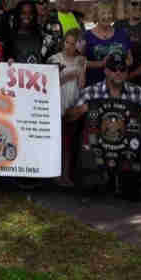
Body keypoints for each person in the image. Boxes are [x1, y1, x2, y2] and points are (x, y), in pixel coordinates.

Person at [65, 51, 141, 200]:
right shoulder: (91, 92)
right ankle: (98, 180)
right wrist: (82, 109)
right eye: (113, 69)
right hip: (99, 143)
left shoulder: (138, 93)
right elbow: (69, 118)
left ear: (127, 72)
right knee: (82, 142)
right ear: (106, 71)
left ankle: (134, 180)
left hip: (127, 145)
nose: (118, 73)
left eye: (122, 69)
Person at [48, 29, 86, 187]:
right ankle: (55, 174)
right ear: (63, 42)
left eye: (74, 43)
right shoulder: (54, 59)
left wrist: (80, 67)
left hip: (73, 103)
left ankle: (67, 174)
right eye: (67, 42)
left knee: (70, 142)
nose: (69, 46)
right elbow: (49, 83)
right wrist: (67, 76)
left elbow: (81, 84)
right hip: (58, 103)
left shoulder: (81, 60)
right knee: (58, 142)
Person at [83, 0, 131, 86]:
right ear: (96, 16)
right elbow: (80, 62)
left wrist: (118, 64)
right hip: (94, 86)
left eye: (109, 13)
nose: (107, 16)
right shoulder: (86, 36)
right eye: (103, 13)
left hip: (117, 85)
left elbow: (130, 59)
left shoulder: (122, 34)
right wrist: (101, 64)